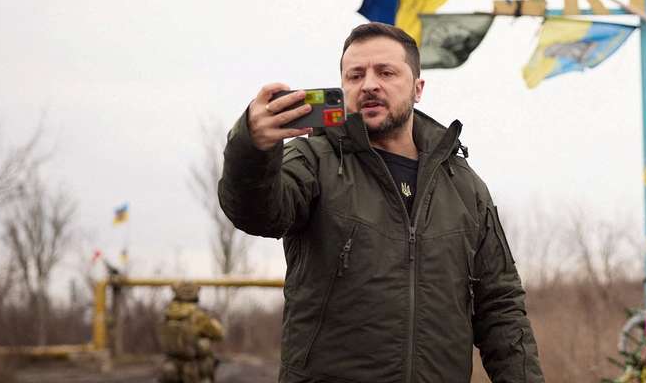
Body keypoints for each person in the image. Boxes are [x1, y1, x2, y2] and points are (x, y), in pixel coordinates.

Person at [219, 22, 544, 383]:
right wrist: (252, 146)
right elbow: (257, 213)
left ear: (418, 88)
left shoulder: (465, 187)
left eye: (385, 72)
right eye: (355, 75)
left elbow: (501, 307)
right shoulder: (314, 159)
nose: (369, 84)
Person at [157, 282, 224, 383]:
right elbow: (219, 334)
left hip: (170, 367)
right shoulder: (197, 316)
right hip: (194, 369)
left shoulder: (167, 314)